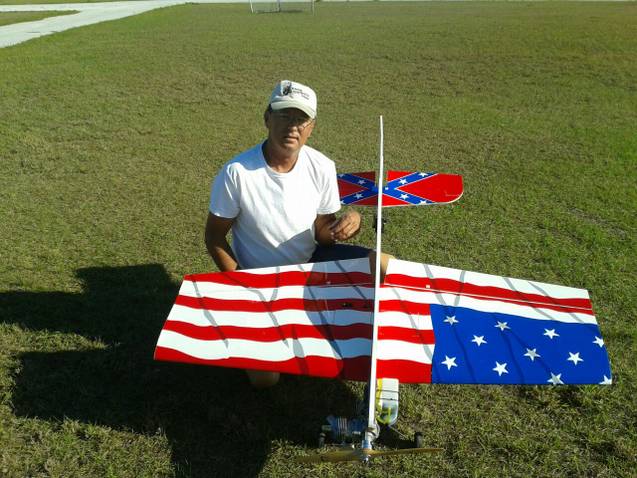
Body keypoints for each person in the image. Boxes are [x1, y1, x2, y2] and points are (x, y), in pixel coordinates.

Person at [205, 80, 388, 388]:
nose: (292, 126)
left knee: (386, 264)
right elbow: (214, 237)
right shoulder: (237, 172)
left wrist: (349, 222)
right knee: (265, 380)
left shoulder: (322, 166)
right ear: (267, 118)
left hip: (311, 264)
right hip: (260, 279)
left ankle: (386, 336)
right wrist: (243, 286)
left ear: (311, 127)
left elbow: (322, 234)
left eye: (301, 119)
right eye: (284, 115)